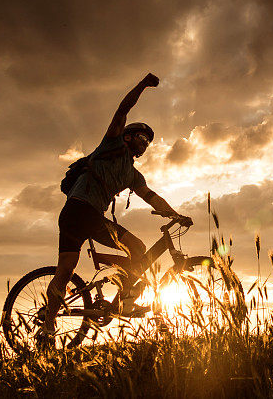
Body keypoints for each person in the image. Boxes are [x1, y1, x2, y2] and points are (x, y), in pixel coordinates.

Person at [41, 72, 192, 343]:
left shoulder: (132, 174)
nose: (144, 144)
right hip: (82, 210)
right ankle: (127, 299)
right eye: (141, 138)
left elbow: (150, 196)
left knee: (64, 271)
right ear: (127, 137)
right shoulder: (111, 144)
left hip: (74, 215)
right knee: (137, 248)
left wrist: (175, 213)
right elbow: (124, 108)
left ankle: (47, 325)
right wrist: (143, 85)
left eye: (148, 142)